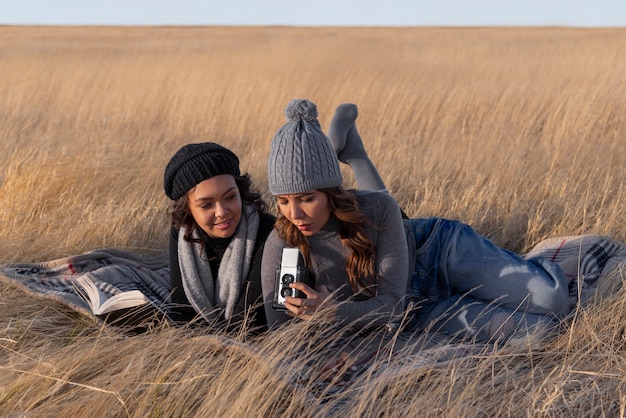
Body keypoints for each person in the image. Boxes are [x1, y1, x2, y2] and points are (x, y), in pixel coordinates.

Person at [261, 99, 571, 342]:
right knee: (542, 333)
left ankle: (352, 153)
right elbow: (281, 333)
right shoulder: (282, 243)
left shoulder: (379, 208)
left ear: (330, 191)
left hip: (436, 252)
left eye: (307, 198)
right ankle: (486, 286)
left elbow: (389, 302)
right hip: (417, 312)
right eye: (284, 201)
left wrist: (335, 311)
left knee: (552, 298)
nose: (295, 214)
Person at [163, 142, 276, 332]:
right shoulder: (182, 234)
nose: (222, 212)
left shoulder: (267, 231)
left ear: (240, 191)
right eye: (207, 205)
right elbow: (182, 310)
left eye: (230, 197)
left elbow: (249, 320)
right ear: (188, 209)